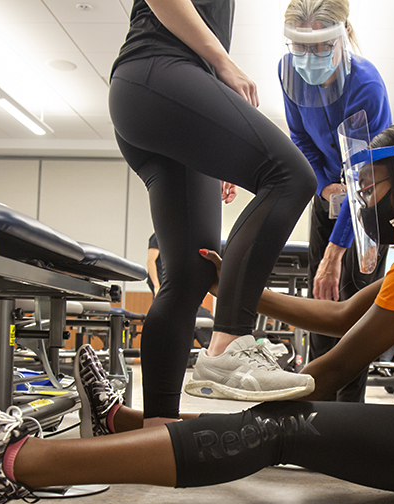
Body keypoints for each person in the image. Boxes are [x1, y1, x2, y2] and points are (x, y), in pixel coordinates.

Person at [0, 122, 394, 504]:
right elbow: (341, 314)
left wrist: (236, 380)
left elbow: (338, 362)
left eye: (374, 188)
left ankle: (16, 461)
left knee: (282, 426)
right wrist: (235, 290)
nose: (369, 203)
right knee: (281, 421)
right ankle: (118, 425)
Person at [108, 0, 319, 418]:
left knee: (190, 275)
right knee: (293, 176)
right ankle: (227, 344)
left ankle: (158, 432)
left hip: (155, 96)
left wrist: (212, 138)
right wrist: (223, 63)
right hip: (159, 70)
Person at [280, 0, 392, 402]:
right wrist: (325, 185)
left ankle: (349, 408)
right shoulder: (287, 71)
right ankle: (317, 399)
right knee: (321, 296)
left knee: (355, 300)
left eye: (320, 46)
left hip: (370, 198)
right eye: (300, 47)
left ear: (341, 37)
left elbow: (364, 174)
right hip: (329, 192)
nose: (309, 58)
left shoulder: (366, 86)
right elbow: (300, 138)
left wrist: (335, 254)